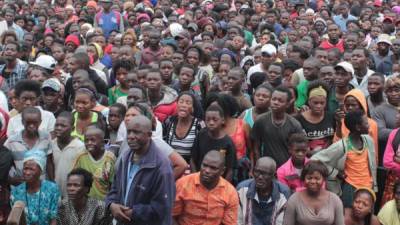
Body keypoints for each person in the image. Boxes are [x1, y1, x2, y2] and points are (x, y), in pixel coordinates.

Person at [105, 115, 175, 225]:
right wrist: (111, 205)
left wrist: (132, 213)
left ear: (149, 135)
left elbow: (162, 208)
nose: (131, 136)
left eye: (137, 132)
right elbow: (114, 188)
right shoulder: (125, 157)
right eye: (129, 132)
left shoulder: (162, 166)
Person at [312, 111, 377, 207]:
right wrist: (335, 172)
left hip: (368, 187)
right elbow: (315, 159)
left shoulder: (368, 140)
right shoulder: (342, 145)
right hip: (351, 188)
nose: (369, 126)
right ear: (358, 127)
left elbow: (372, 164)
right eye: (366, 123)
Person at [173, 150, 239, 225]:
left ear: (222, 171)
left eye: (213, 168)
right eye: (204, 165)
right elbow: (171, 216)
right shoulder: (183, 184)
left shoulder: (230, 192)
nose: (207, 170)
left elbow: (228, 223)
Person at [251, 86, 304, 167]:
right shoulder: (261, 120)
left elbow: (299, 149)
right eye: (273, 99)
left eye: (280, 101)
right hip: (267, 167)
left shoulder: (294, 124)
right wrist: (259, 164)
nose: (275, 102)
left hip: (287, 168)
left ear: (288, 104)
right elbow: (256, 147)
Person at [282, 161, 344, 225]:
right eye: (309, 178)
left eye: (317, 178)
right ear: (304, 179)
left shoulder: (334, 200)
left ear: (324, 179)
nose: (313, 181)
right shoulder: (294, 199)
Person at [5, 107, 55, 185]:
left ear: (40, 122)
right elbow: (5, 164)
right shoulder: (12, 141)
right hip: (21, 187)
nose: (31, 126)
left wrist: (52, 182)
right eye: (28, 122)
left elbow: (49, 162)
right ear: (22, 122)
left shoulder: (46, 137)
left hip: (42, 186)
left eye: (35, 122)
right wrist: (11, 179)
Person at [10, 149, 60, 225]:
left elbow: (53, 219)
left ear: (41, 171)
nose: (27, 172)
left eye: (32, 169)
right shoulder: (16, 192)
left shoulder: (52, 189)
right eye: (25, 168)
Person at [237, 157, 291, 225]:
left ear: (274, 176)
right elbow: (238, 220)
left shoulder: (283, 193)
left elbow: (281, 222)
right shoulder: (242, 189)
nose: (260, 177)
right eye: (257, 172)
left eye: (265, 173)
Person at [191, 104, 236, 182]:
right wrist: (196, 178)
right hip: (200, 179)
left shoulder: (227, 142)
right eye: (208, 119)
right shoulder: (201, 135)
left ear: (222, 120)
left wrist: (224, 186)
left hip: (218, 182)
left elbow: (230, 169)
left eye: (215, 120)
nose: (211, 123)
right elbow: (193, 159)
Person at [73, 125, 116, 200]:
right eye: (86, 140)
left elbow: (114, 184)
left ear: (102, 142)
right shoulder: (80, 157)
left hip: (104, 203)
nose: (89, 143)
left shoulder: (110, 158)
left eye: (93, 140)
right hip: (85, 203)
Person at [163, 92, 205, 163]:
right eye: (181, 102)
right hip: (171, 165)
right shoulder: (169, 121)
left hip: (191, 166)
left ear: (193, 108)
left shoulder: (200, 124)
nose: (183, 105)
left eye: (188, 103)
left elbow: (202, 149)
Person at [296, 81, 335, 154]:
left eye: (322, 103)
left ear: (326, 102)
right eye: (315, 103)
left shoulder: (331, 117)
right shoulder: (299, 119)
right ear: (309, 101)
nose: (319, 106)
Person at [52, 111, 85, 197]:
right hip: (54, 193)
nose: (59, 128)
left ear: (73, 128)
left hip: (72, 195)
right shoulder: (51, 145)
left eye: (63, 126)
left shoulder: (79, 147)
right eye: (57, 125)